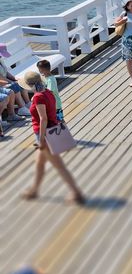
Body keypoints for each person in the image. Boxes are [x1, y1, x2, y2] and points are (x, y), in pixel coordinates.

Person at [18, 70, 85, 205]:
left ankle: (76, 192)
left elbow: (43, 119)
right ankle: (34, 190)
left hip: (45, 134)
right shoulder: (48, 92)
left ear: (30, 85)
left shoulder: (38, 97)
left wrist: (42, 139)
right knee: (39, 163)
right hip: (50, 130)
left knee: (59, 166)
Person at [36, 59, 63, 125]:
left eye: (39, 69)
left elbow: (49, 92)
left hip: (55, 105)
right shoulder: (44, 77)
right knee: (53, 122)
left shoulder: (51, 80)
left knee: (59, 122)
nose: (39, 71)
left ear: (43, 70)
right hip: (50, 104)